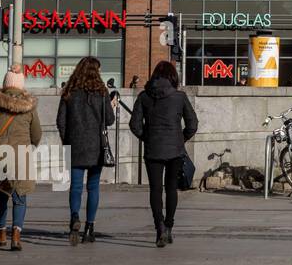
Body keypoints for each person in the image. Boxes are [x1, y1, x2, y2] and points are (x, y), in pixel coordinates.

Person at [130, 61, 198, 247]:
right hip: (175, 150)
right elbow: (192, 124)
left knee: (155, 189)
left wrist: (148, 137)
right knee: (171, 189)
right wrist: (180, 138)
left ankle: (158, 225)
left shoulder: (144, 97)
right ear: (173, 77)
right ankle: (168, 226)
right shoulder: (179, 97)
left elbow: (134, 125)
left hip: (153, 149)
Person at [0, 65, 42, 251]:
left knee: (1, 195)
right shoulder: (29, 107)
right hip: (22, 157)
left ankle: (1, 232)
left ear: (5, 84)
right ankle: (16, 234)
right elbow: (37, 133)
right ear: (21, 86)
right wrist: (29, 148)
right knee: (19, 196)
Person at [56, 56, 116, 245]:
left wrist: (67, 140)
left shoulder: (69, 91)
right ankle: (89, 228)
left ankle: (74, 217)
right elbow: (110, 120)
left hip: (74, 144)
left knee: (75, 186)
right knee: (93, 187)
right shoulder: (102, 92)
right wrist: (111, 105)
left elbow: (61, 121)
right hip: (96, 146)